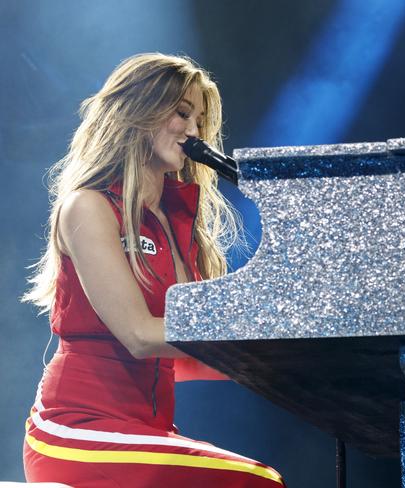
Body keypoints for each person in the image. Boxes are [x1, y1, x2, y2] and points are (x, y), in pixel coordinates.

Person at [21, 53, 285, 487]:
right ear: (138, 110)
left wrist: (288, 353)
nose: (194, 131)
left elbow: (192, 349)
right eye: (182, 113)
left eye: (199, 120)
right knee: (258, 481)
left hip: (147, 429)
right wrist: (248, 328)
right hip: (75, 429)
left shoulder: (178, 220)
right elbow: (141, 336)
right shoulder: (88, 206)